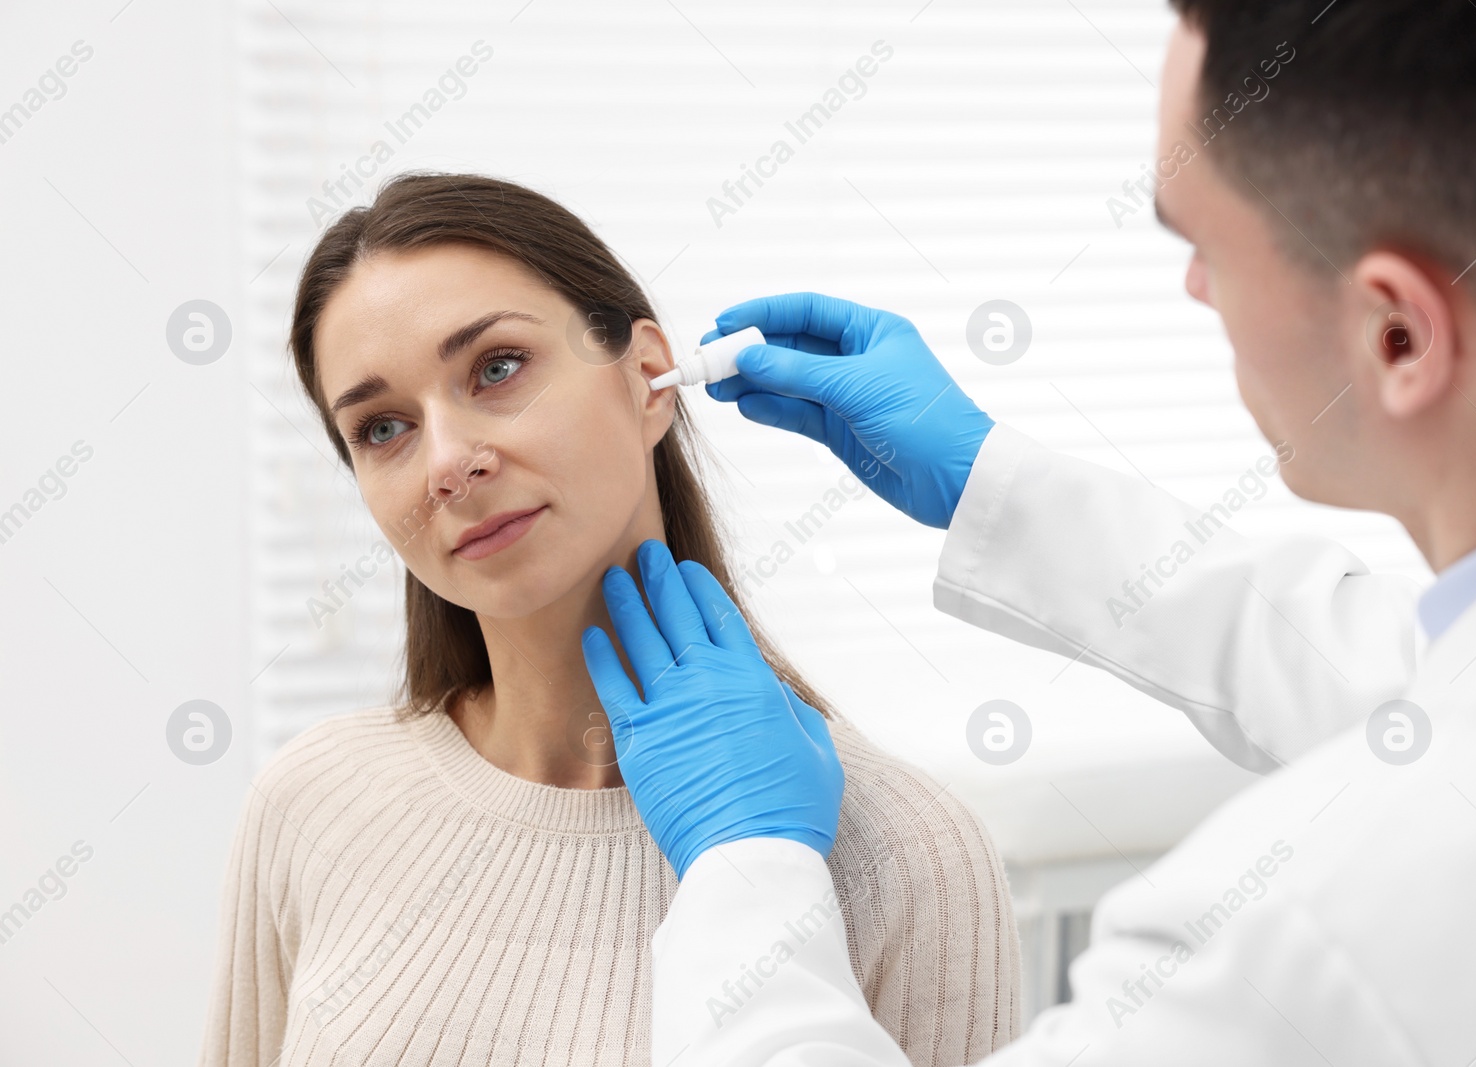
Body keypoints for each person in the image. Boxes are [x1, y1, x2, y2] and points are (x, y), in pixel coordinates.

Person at [578, 1, 1476, 1063]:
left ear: (1395, 334)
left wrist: (747, 862)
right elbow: (1412, 690)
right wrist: (988, 479)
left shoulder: (1300, 940)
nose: (1195, 286)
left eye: (1202, 243)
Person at [198, 172, 1022, 1066]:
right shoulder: (313, 801)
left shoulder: (904, 853)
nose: (446, 461)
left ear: (648, 380)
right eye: (383, 428)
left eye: (498, 367)